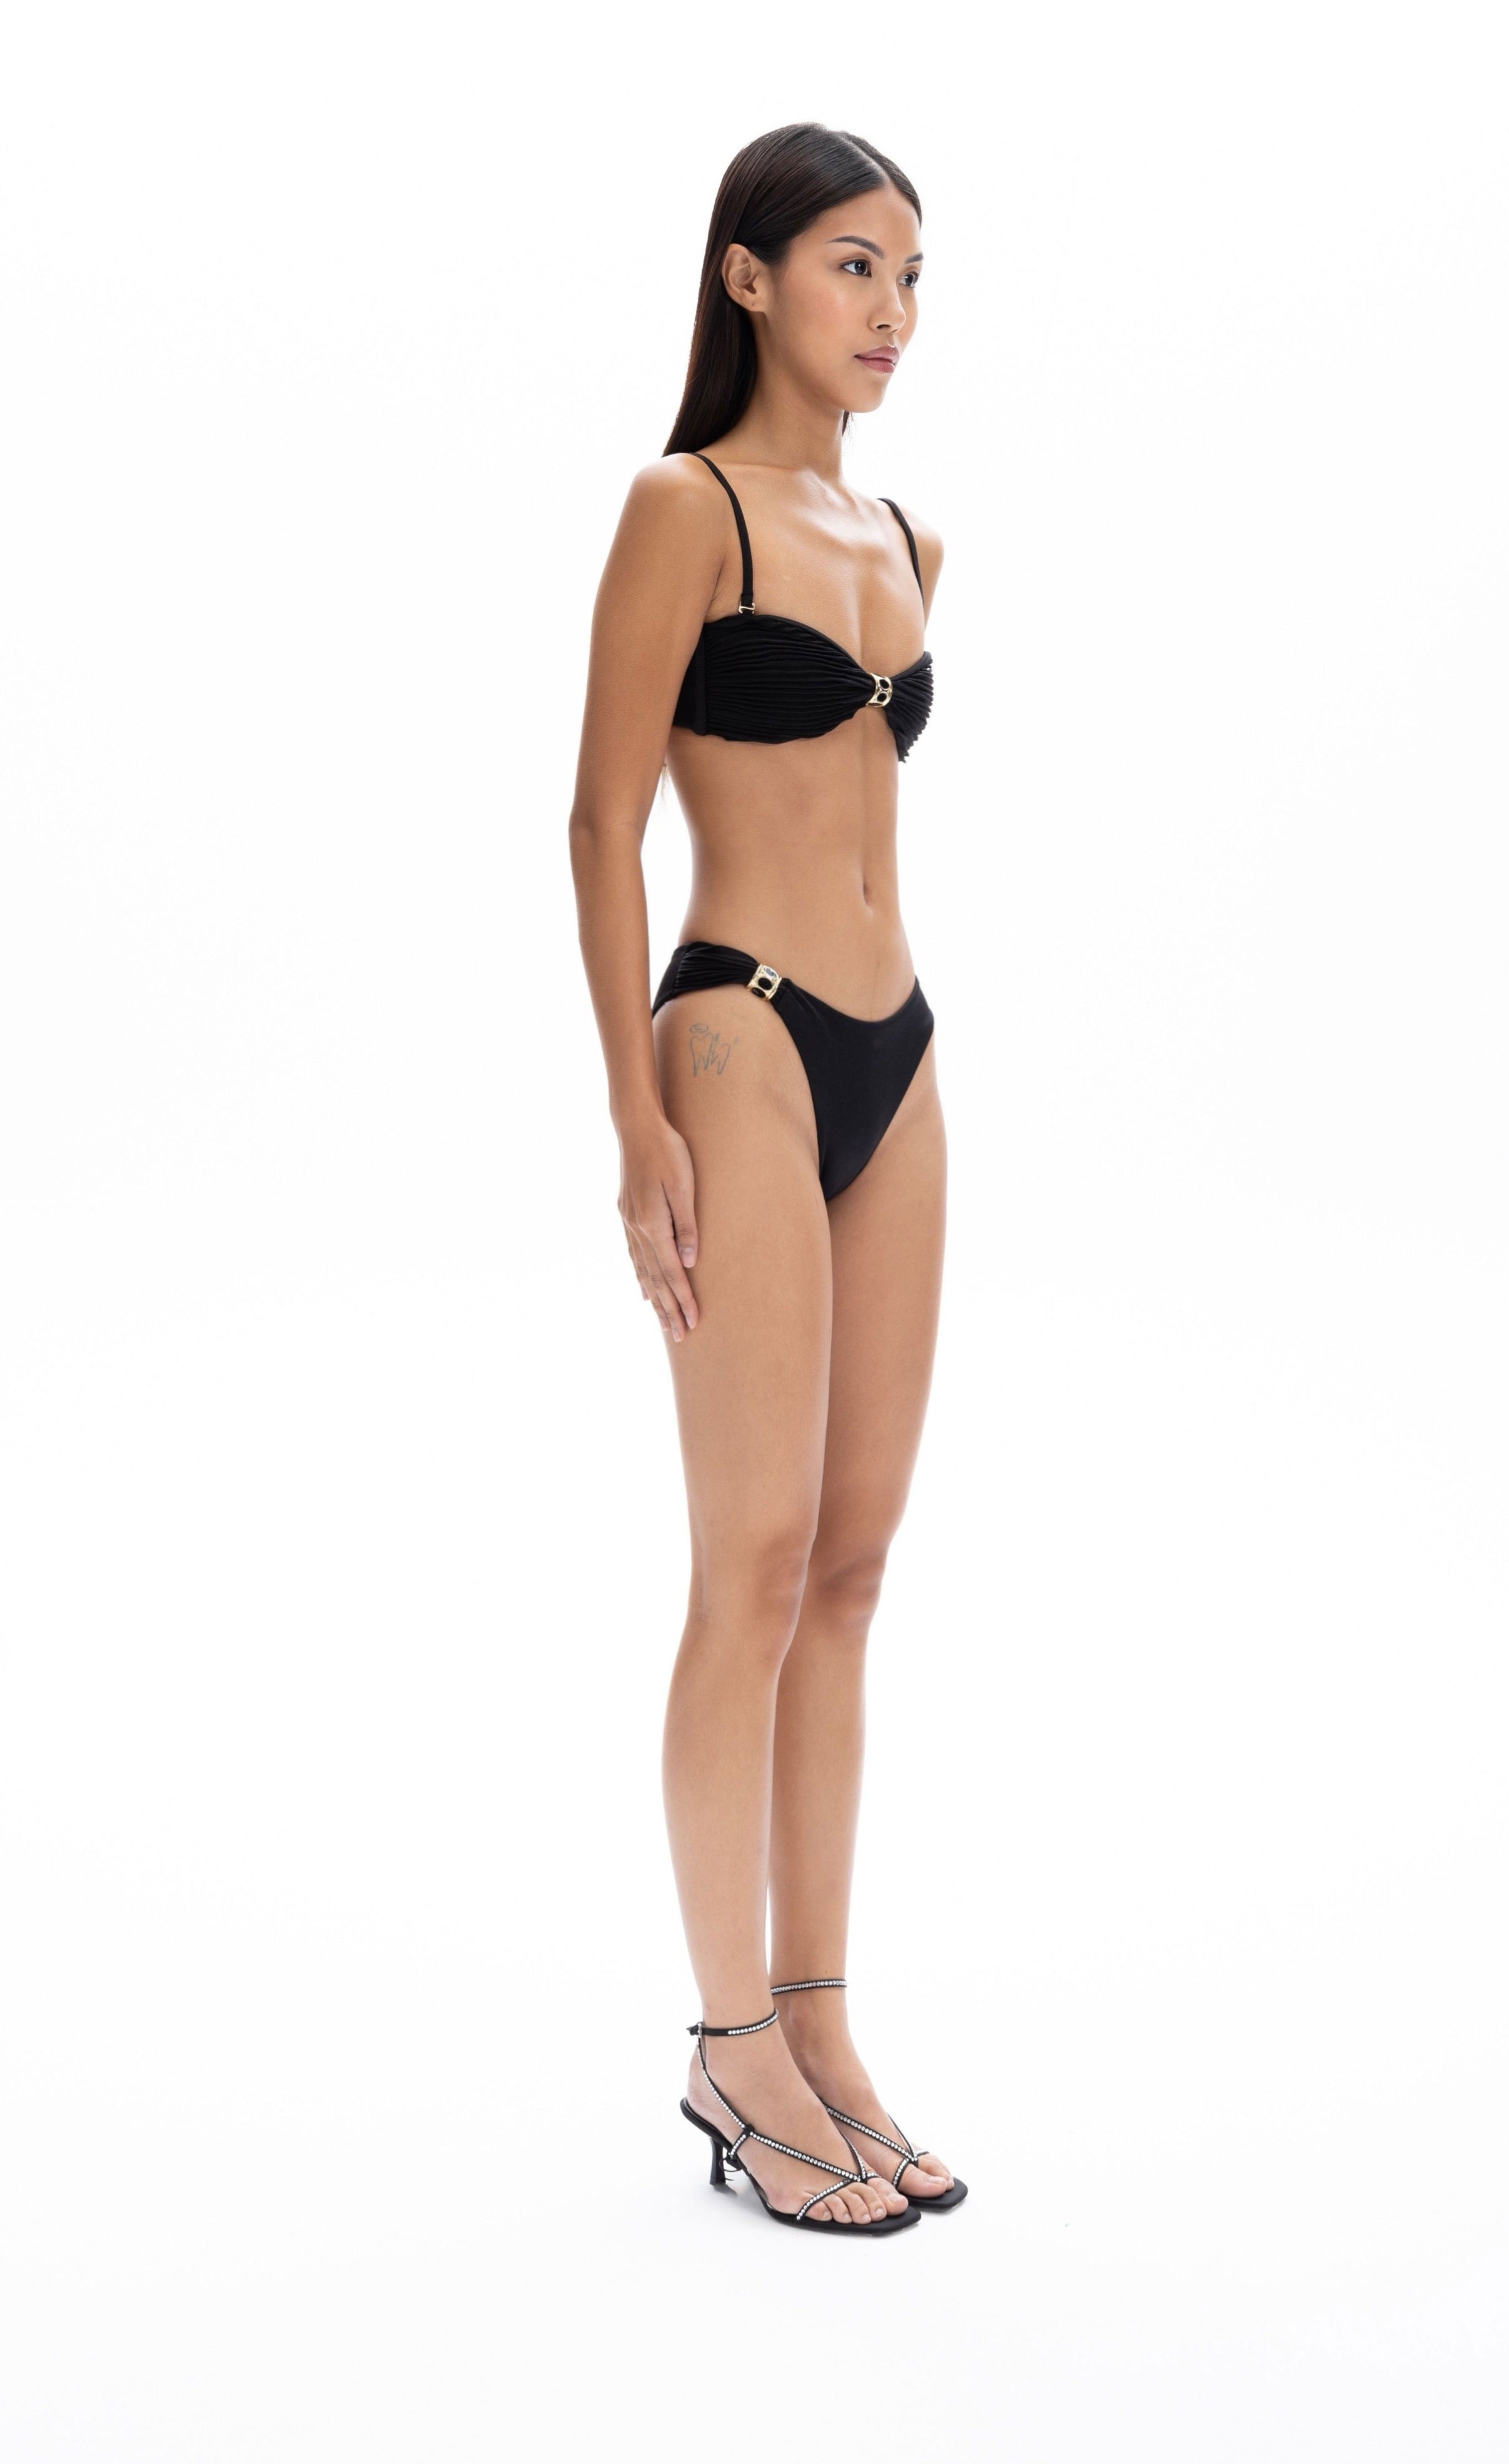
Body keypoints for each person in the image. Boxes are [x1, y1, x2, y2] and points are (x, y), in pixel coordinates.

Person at [570, 123, 966, 2235]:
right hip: (735, 1034)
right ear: (748, 276)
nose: (889, 310)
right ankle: (725, 2051)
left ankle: (819, 2023)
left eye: (910, 276)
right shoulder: (686, 507)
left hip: (898, 1054)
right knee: (751, 1558)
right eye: (850, 265)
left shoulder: (903, 534)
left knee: (854, 1568)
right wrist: (630, 1120)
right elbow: (596, 818)